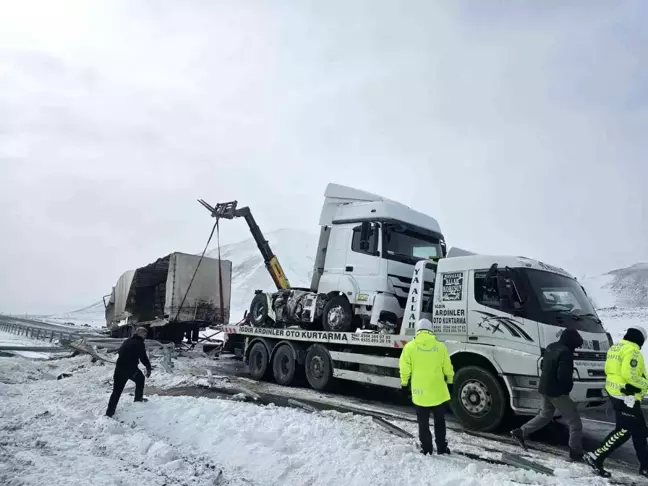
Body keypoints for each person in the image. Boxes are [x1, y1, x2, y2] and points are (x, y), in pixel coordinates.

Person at [510, 328, 584, 461]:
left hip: (544, 388)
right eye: (576, 345)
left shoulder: (551, 347)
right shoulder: (566, 353)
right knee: (575, 423)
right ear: (572, 341)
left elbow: (543, 365)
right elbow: (563, 376)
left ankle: (520, 432)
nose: (576, 348)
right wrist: (567, 388)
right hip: (557, 392)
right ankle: (576, 452)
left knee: (545, 415)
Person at [584, 325, 648, 479]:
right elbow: (629, 374)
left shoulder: (616, 348)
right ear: (640, 339)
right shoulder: (632, 351)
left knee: (639, 431)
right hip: (626, 396)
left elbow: (609, 369)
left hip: (615, 392)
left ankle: (645, 467)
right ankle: (596, 456)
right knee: (624, 431)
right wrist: (644, 384)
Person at [399, 318, 454, 455]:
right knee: (440, 421)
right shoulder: (440, 347)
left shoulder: (410, 347)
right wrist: (450, 381)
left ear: (417, 331)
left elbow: (404, 368)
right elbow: (448, 367)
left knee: (423, 423)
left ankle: (427, 449)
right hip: (438, 392)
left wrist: (404, 384)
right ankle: (442, 448)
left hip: (420, 393)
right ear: (431, 330)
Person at [105, 327, 152, 417]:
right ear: (140, 334)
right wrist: (148, 367)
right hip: (130, 369)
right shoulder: (139, 343)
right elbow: (143, 357)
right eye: (144, 335)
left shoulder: (127, 341)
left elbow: (120, 352)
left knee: (116, 391)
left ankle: (109, 413)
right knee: (140, 379)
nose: (145, 336)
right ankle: (138, 399)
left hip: (119, 369)